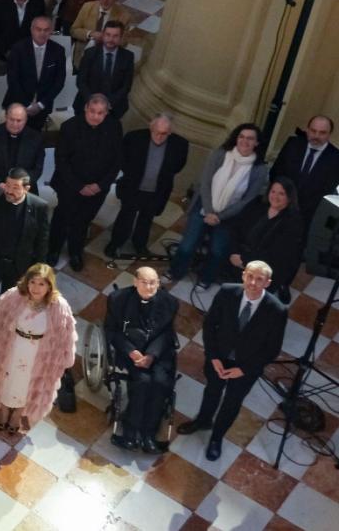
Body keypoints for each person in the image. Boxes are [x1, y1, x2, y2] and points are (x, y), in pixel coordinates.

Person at [180, 262, 287, 461]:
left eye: (259, 279)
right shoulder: (227, 292)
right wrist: (213, 356)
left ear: (268, 283)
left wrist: (244, 369)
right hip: (219, 358)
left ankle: (216, 438)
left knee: (232, 402)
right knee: (212, 390)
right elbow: (210, 324)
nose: (253, 283)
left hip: (246, 367)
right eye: (250, 276)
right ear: (244, 275)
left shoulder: (277, 310)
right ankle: (203, 420)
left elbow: (271, 349)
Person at [0, 263, 77, 434]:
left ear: (49, 286)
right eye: (33, 282)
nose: (35, 288)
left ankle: (18, 414)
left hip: (38, 353)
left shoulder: (59, 306)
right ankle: (4, 409)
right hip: (13, 347)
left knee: (28, 384)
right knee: (7, 378)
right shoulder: (14, 295)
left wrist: (61, 358)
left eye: (41, 284)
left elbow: (65, 335)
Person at [167, 123, 268, 287]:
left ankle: (206, 278)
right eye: (241, 136)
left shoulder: (260, 169)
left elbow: (247, 200)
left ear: (257, 143)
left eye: (250, 139)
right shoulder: (220, 154)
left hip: (230, 217)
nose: (245, 141)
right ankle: (175, 272)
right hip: (205, 207)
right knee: (187, 245)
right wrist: (209, 211)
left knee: (218, 251)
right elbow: (205, 182)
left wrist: (219, 217)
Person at [99, 265, 180, 452]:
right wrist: (131, 351)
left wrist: (152, 354)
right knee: (142, 381)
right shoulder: (117, 299)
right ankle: (130, 432)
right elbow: (111, 330)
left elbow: (167, 332)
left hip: (158, 352)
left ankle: (148, 434)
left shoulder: (170, 302)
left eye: (153, 283)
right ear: (135, 282)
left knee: (160, 383)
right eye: (144, 282)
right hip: (131, 352)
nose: (149, 287)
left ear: (159, 284)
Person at [48, 94, 123, 271]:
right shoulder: (70, 127)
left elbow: (117, 161)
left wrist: (100, 185)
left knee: (83, 221)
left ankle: (75, 252)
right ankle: (53, 250)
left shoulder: (114, 127)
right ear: (85, 109)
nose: (96, 116)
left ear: (106, 112)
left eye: (100, 113)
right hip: (69, 185)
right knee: (62, 218)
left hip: (97, 189)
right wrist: (79, 186)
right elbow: (62, 160)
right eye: (92, 111)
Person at [0, 167, 51, 321]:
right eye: (8, 185)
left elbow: (42, 239)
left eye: (15, 187)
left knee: (12, 296)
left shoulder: (39, 207)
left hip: (19, 263)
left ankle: (4, 322)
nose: (9, 190)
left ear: (27, 188)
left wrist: (39, 269)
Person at [107, 114, 190, 258]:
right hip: (133, 187)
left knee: (146, 220)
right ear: (150, 128)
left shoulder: (180, 145)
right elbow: (122, 159)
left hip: (156, 191)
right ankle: (115, 243)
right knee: (125, 218)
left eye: (163, 133)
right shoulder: (134, 138)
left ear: (170, 132)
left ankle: (139, 244)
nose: (158, 136)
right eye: (156, 132)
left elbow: (178, 166)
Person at [229, 179, 305, 304]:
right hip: (239, 257)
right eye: (273, 191)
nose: (275, 196)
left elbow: (276, 254)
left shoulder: (294, 222)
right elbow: (236, 228)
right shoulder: (258, 204)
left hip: (263, 269)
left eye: (281, 193)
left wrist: (245, 260)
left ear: (290, 198)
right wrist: (234, 253)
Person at [270, 115, 339, 227]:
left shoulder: (335, 158)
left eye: (322, 133)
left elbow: (327, 190)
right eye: (313, 131)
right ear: (307, 129)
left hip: (305, 217)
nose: (316, 136)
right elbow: (276, 172)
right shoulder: (293, 144)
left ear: (329, 134)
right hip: (278, 205)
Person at [4, 16, 68, 131]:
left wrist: (40, 105)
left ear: (51, 31)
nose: (42, 33)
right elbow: (12, 80)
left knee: (34, 140)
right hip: (18, 103)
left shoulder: (58, 51)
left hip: (42, 106)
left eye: (46, 30)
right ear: (32, 29)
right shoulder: (18, 48)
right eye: (38, 29)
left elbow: (59, 81)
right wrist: (27, 105)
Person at [0, 104, 45, 200]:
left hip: (23, 189)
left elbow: (37, 168)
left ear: (26, 120)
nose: (15, 124)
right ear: (6, 117)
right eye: (11, 119)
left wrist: (20, 185)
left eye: (19, 120)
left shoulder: (36, 138)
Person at [74, 21, 135, 120]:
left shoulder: (128, 57)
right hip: (87, 104)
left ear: (121, 37)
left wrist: (108, 103)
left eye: (115, 36)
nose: (111, 39)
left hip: (114, 108)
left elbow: (126, 86)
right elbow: (81, 81)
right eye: (108, 35)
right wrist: (93, 101)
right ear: (103, 35)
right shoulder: (90, 53)